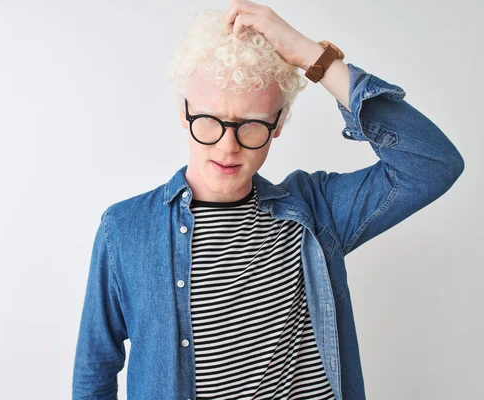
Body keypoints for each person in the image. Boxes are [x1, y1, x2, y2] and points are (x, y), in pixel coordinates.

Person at [72, 1, 465, 399]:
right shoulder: (125, 230)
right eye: (209, 120)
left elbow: (433, 165)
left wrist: (314, 57)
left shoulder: (316, 212)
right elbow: (95, 370)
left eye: (251, 125)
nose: (228, 147)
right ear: (183, 112)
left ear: (277, 125)